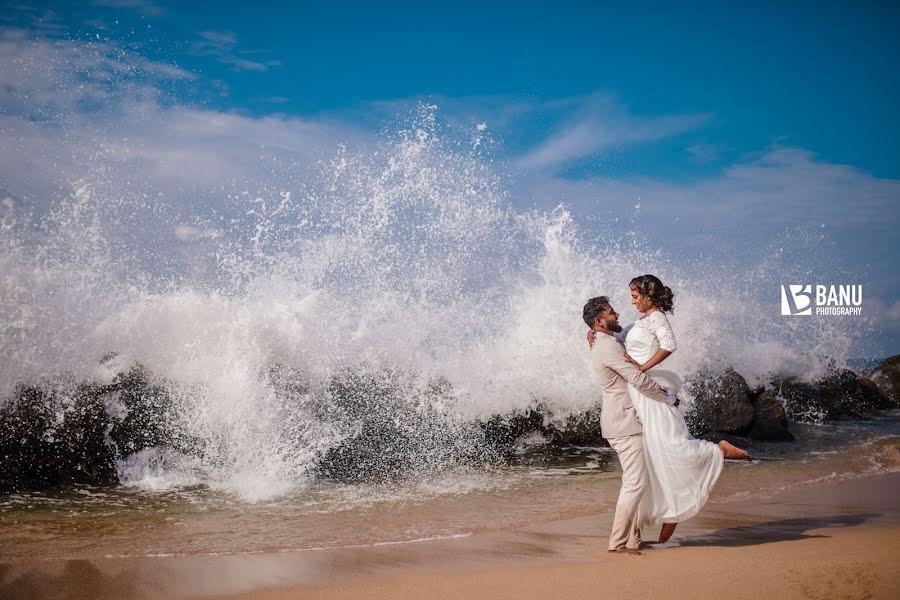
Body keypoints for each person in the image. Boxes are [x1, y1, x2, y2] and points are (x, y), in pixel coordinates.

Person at [587, 275, 750, 545]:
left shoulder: (658, 318)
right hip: (638, 399)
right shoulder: (637, 323)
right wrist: (592, 332)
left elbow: (669, 346)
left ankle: (717, 450)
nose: (632, 301)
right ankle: (669, 513)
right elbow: (614, 340)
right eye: (631, 296)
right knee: (655, 458)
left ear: (649, 296)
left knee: (672, 447)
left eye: (636, 296)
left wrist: (643, 367)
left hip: (650, 393)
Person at [583, 296, 679, 555]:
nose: (617, 314)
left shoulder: (608, 340)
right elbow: (637, 379)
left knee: (638, 481)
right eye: (611, 313)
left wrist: (589, 332)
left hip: (626, 420)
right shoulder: (608, 348)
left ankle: (634, 540)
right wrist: (668, 397)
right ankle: (617, 543)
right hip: (623, 422)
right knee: (635, 483)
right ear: (599, 321)